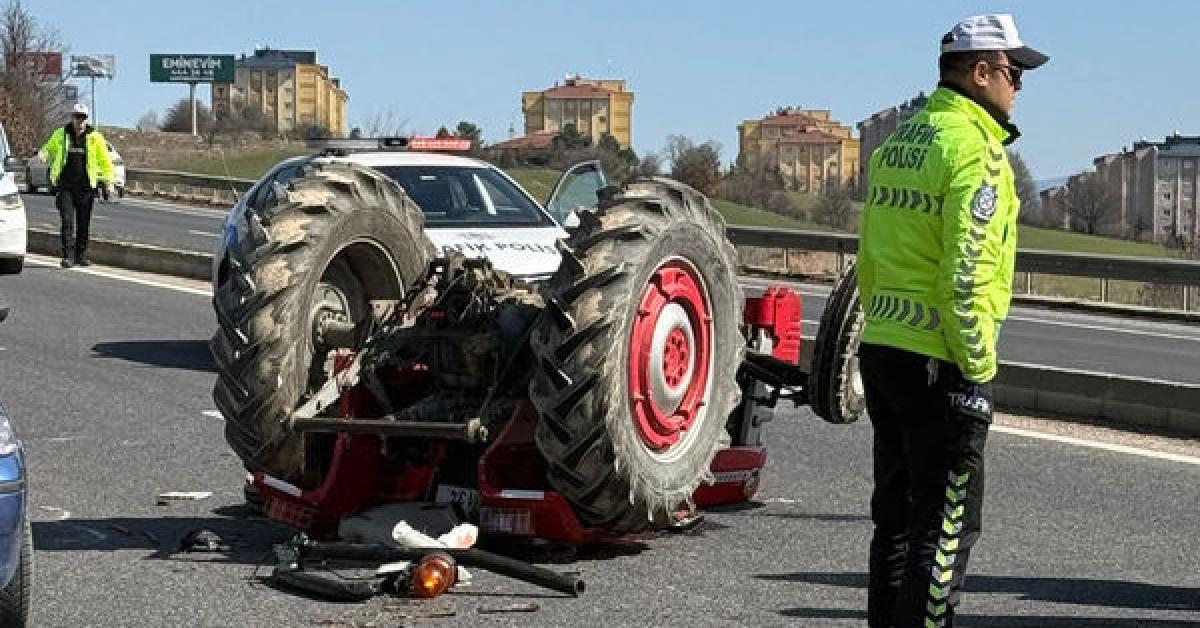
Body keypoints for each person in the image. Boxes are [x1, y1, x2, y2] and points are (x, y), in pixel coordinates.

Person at [856, 14, 1048, 628]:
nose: (1019, 86)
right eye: (1015, 72)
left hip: (884, 347)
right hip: (942, 361)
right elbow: (965, 272)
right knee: (945, 532)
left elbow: (869, 257)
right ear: (982, 72)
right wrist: (978, 368)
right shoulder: (978, 153)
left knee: (894, 523)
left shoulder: (898, 144)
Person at [37, 103, 114, 268]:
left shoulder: (95, 138)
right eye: (77, 117)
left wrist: (108, 182)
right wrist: (42, 154)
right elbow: (48, 148)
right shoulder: (61, 134)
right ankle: (68, 256)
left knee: (83, 222)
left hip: (86, 187)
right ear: (72, 117)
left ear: (86, 120)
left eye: (83, 118)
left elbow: (105, 161)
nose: (80, 121)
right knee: (67, 220)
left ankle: (80, 255)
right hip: (66, 186)